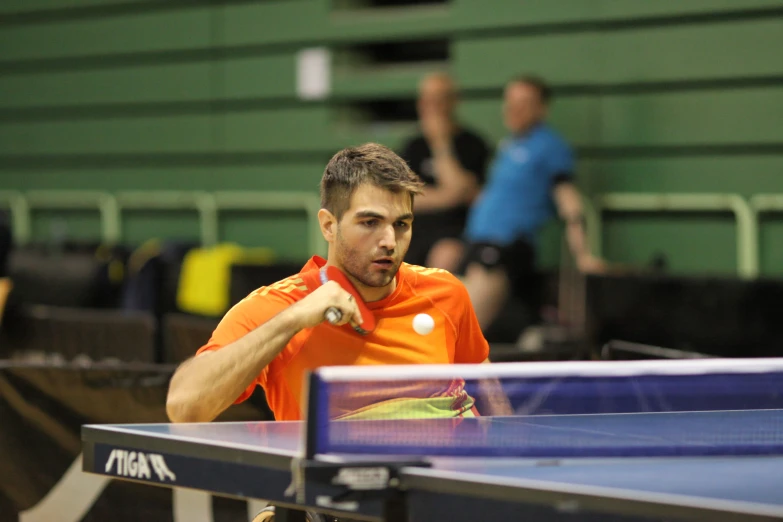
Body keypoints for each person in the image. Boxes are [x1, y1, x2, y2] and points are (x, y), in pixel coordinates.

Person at [166, 143, 500, 425]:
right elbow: (184, 407)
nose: (389, 240)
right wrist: (293, 319)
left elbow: (493, 398)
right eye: (369, 222)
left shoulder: (445, 292)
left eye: (401, 224)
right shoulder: (276, 306)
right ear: (328, 225)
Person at [459, 75, 604, 330]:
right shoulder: (507, 146)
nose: (514, 108)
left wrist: (583, 255)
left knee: (460, 327)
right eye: (510, 101)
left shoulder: (550, 146)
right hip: (474, 244)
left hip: (504, 249)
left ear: (542, 108)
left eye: (524, 102)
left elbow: (568, 200)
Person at [400, 72, 490, 272]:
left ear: (453, 102)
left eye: (437, 100)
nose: (430, 108)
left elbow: (466, 193)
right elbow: (404, 199)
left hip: (454, 232)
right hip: (414, 229)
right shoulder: (412, 147)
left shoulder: (474, 145)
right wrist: (449, 196)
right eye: (426, 100)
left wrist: (441, 144)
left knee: (445, 258)